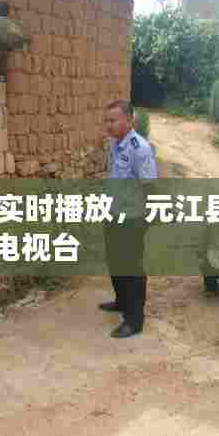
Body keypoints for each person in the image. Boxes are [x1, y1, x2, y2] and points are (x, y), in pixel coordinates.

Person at [99, 101, 159, 338]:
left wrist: (147, 219)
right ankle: (122, 301)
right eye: (106, 120)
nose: (108, 125)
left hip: (132, 219)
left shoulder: (140, 148)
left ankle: (134, 320)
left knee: (131, 267)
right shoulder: (115, 144)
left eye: (113, 120)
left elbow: (150, 186)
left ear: (129, 120)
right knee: (115, 261)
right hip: (113, 214)